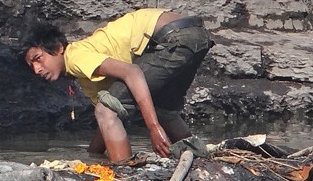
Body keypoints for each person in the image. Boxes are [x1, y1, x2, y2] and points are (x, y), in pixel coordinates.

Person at [23, 9, 212, 162]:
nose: (37, 69)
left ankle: (124, 174)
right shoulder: (86, 72)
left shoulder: (75, 57)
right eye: (32, 66)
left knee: (108, 111)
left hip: (173, 37)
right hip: (196, 33)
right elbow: (105, 123)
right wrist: (92, 157)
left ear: (57, 48)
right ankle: (199, 160)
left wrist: (153, 127)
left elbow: (133, 73)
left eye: (38, 59)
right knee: (163, 108)